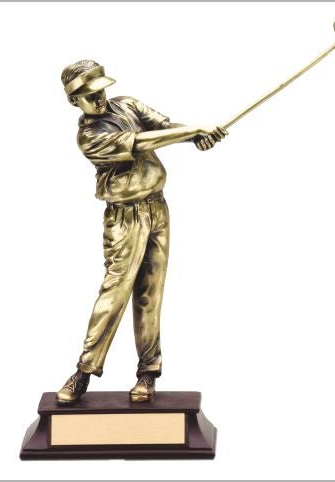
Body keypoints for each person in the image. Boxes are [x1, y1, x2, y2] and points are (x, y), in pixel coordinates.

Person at [57, 60, 227, 404]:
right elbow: (139, 142)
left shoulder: (128, 105)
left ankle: (148, 372)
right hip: (125, 217)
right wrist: (192, 130)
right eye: (89, 95)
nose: (99, 98)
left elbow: (165, 128)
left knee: (151, 292)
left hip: (157, 208)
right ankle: (84, 371)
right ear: (74, 101)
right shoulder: (89, 136)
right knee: (115, 292)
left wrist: (196, 136)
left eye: (101, 90)